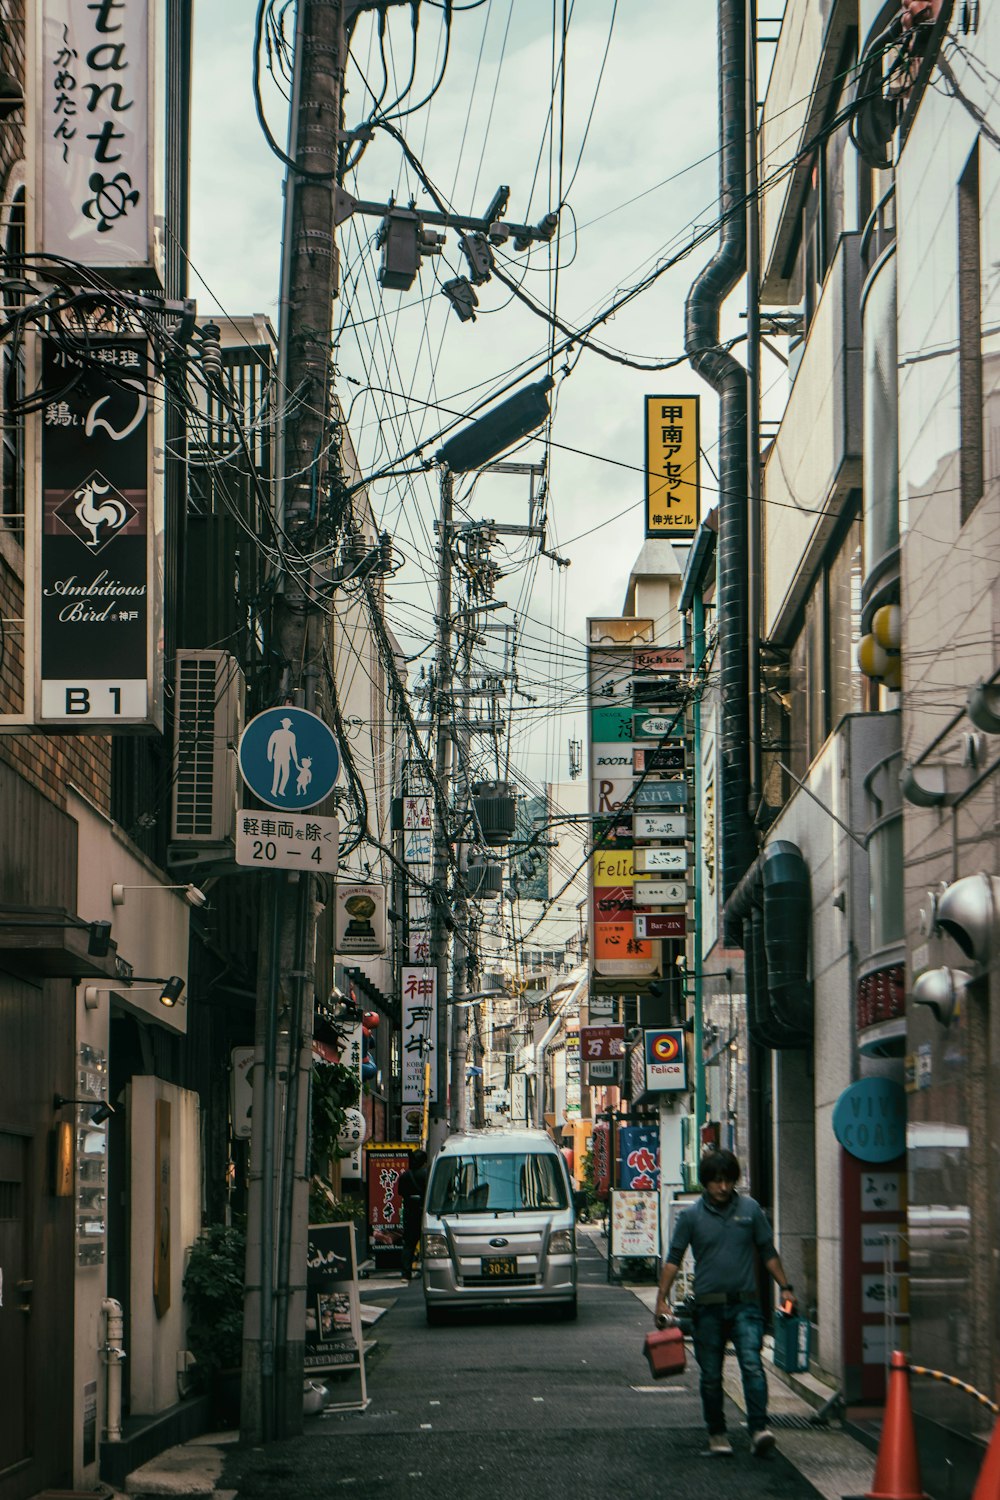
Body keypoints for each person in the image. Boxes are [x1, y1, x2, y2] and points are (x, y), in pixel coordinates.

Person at [653, 1148, 797, 1458]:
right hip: (707, 1308)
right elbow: (673, 1259)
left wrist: (786, 1287)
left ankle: (758, 1429)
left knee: (752, 1365)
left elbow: (767, 1252)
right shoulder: (691, 1216)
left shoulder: (750, 1209)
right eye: (717, 1181)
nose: (723, 1187)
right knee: (711, 1374)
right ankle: (717, 1432)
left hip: (746, 1305)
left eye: (729, 1180)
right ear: (706, 1182)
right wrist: (661, 1300)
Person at [398, 1148, 428, 1280]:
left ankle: (405, 1273)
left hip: (410, 1212)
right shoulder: (426, 1175)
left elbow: (400, 1192)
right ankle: (425, 1271)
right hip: (424, 1212)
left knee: (409, 1244)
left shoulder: (404, 1176)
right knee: (426, 1242)